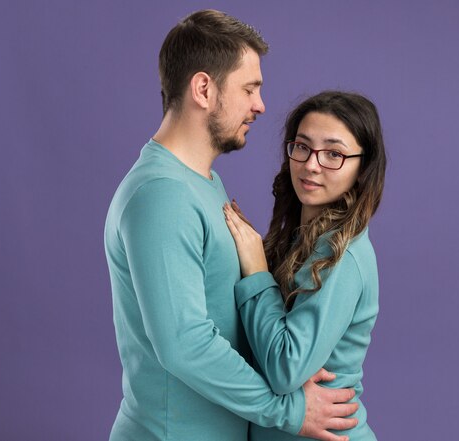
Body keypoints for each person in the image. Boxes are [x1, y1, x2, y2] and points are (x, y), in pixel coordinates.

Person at [104, 10, 359, 441]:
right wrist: (287, 409)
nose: (260, 105)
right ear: (204, 88)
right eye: (249, 88)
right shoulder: (162, 196)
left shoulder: (202, 182)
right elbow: (184, 344)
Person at [223, 91, 387, 440]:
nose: (311, 164)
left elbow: (284, 368)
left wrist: (256, 272)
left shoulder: (342, 253)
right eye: (302, 146)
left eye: (334, 154)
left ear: (362, 168)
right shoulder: (301, 238)